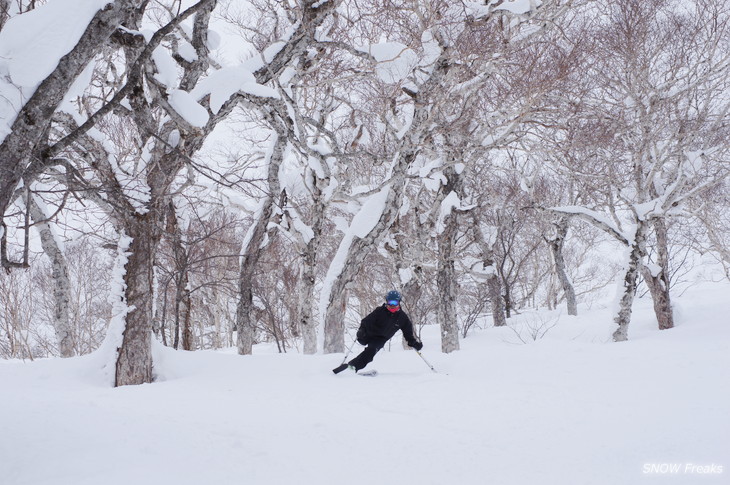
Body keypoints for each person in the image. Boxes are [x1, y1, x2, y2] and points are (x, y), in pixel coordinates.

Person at [332, 290, 423, 374]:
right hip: (369, 333)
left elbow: (408, 333)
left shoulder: (402, 318)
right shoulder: (380, 311)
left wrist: (413, 343)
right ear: (387, 302)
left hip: (381, 338)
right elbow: (366, 321)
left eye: (394, 303)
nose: (392, 305)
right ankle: (338, 363)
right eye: (390, 302)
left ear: (399, 302)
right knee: (361, 341)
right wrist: (361, 330)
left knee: (371, 351)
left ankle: (352, 367)